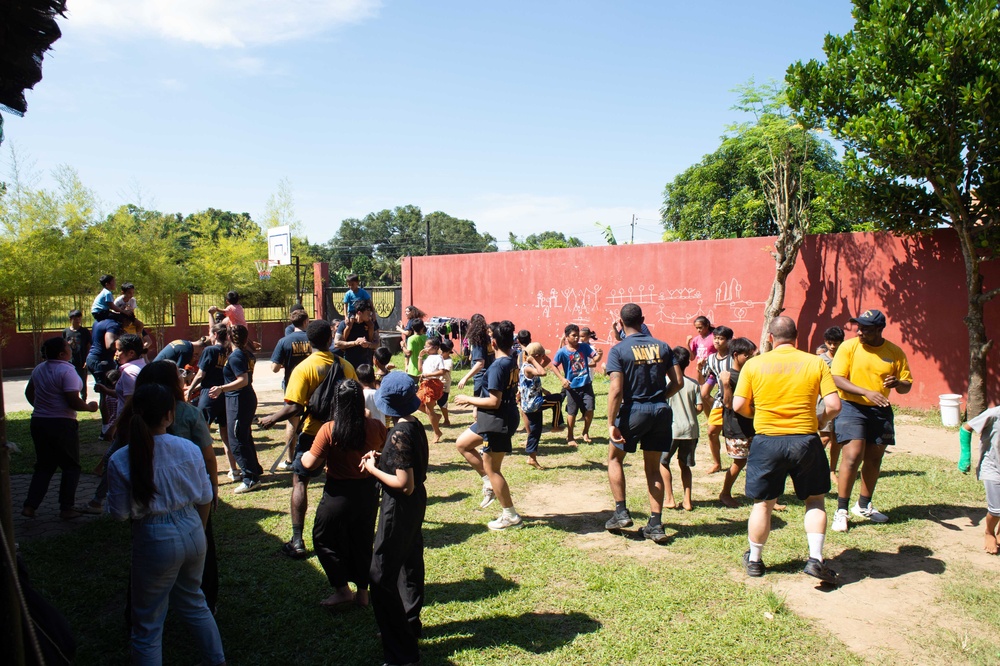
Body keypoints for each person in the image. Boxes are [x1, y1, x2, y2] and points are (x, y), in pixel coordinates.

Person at [106, 383, 225, 666]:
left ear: (136, 413)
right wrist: (200, 534)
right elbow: (205, 495)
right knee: (195, 603)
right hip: (193, 529)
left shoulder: (121, 458)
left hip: (154, 535)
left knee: (147, 622)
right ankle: (217, 661)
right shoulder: (188, 449)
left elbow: (120, 514)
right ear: (170, 415)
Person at [733, 316, 841, 584]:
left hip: (767, 440)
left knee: (763, 504)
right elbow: (835, 405)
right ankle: (815, 559)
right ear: (797, 336)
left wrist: (757, 414)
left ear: (770, 338)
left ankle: (755, 561)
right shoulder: (815, 362)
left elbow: (738, 405)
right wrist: (820, 421)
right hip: (805, 438)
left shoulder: (754, 364)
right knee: (814, 500)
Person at [258, 320, 358, 558]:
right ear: (328, 339)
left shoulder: (303, 368)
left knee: (300, 481)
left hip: (313, 434)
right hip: (341, 431)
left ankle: (297, 539)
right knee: (339, 483)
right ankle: (341, 536)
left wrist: (271, 418)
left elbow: (293, 408)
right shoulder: (345, 365)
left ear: (309, 342)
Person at [295, 379, 387, 607]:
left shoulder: (329, 429)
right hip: (368, 492)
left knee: (323, 538)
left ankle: (342, 589)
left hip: (338, 493)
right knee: (363, 539)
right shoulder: (376, 427)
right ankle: (363, 593)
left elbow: (309, 463)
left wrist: (302, 454)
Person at [365, 372, 429, 666]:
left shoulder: (399, 433)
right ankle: (409, 623)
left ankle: (401, 651)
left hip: (399, 506)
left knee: (380, 575)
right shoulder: (413, 425)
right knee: (409, 561)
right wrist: (382, 456)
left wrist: (373, 468)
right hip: (415, 505)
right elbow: (407, 464)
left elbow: (404, 483)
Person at [604, 303, 681, 544]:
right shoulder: (663, 346)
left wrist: (610, 422)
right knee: (653, 467)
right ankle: (656, 524)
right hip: (660, 411)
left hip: (633, 410)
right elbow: (678, 381)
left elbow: (616, 389)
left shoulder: (619, 350)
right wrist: (659, 399)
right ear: (643, 319)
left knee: (615, 459)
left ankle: (621, 512)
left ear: (620, 323)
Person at [830, 309, 912, 533]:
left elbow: (907, 385)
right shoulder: (848, 347)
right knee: (853, 455)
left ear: (879, 330)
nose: (860, 331)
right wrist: (866, 392)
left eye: (865, 328)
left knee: (875, 458)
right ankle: (842, 510)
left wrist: (898, 384)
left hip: (880, 409)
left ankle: (863, 505)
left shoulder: (894, 352)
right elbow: (837, 378)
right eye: (859, 326)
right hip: (851, 406)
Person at [454, 321, 523, 530]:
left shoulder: (497, 366)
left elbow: (494, 401)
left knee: (493, 469)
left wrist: (469, 399)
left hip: (497, 419)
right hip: (495, 416)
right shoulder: (511, 359)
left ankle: (510, 515)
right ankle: (488, 482)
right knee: (463, 444)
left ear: (493, 343)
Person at [21, 338, 99, 519]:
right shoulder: (67, 371)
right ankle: (66, 508)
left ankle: (29, 506)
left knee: (44, 466)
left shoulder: (39, 369)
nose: (71, 349)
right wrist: (90, 407)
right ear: (62, 354)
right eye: (68, 347)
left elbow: (28, 392)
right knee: (71, 467)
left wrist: (42, 408)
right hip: (62, 424)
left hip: (39, 422)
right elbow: (73, 400)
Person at [208, 324, 261, 494]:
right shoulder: (246, 354)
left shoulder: (237, 356)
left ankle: (250, 478)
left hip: (239, 400)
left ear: (230, 338)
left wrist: (221, 388)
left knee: (236, 439)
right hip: (243, 399)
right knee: (244, 436)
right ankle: (255, 469)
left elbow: (243, 380)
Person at [187, 324, 239, 481]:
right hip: (225, 394)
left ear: (215, 334)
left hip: (209, 394)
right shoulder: (229, 351)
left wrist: (190, 389)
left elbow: (201, 373)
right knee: (225, 434)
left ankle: (200, 470)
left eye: (210, 333)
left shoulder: (210, 350)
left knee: (201, 432)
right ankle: (234, 469)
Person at [718, 337, 757, 508]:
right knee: (739, 462)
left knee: (758, 460)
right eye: (747, 355)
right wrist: (726, 384)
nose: (750, 358)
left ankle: (763, 496)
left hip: (753, 424)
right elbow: (728, 404)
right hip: (736, 427)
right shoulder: (729, 376)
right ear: (736, 355)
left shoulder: (748, 374)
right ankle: (725, 493)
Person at [271, 309, 311, 470]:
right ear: (306, 322)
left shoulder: (284, 341)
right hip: (313, 387)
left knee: (292, 424)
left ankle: (289, 459)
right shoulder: (312, 339)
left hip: (293, 389)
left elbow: (274, 367)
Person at [663, 346, 702, 511]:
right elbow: (699, 407)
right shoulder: (693, 384)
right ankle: (687, 500)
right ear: (687, 363)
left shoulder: (664, 382)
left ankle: (669, 498)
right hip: (690, 430)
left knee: (662, 462)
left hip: (671, 429)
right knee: (685, 465)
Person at [552, 324, 603, 446]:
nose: (576, 338)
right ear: (566, 337)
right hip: (572, 387)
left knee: (590, 409)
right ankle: (570, 436)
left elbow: (595, 359)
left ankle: (585, 432)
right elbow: (553, 365)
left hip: (586, 384)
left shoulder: (584, 347)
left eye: (577, 335)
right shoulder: (562, 352)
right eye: (573, 336)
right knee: (572, 412)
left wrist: (599, 355)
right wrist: (562, 379)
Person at [961, 406, 1000, 554]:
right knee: (996, 510)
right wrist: (965, 456)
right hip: (992, 466)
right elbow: (966, 428)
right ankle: (989, 532)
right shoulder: (994, 414)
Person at [519, 342, 563, 469]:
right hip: (533, 404)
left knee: (535, 431)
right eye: (541, 356)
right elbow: (542, 373)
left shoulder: (532, 367)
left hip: (531, 403)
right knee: (557, 398)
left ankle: (531, 458)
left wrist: (543, 390)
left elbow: (546, 362)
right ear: (536, 356)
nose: (543, 358)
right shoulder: (528, 367)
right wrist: (533, 359)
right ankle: (556, 425)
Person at [701, 325, 734, 474]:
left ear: (728, 340)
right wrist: (698, 369)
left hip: (736, 400)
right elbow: (707, 378)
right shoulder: (711, 359)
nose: (717, 341)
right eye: (715, 338)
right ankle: (716, 463)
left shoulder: (735, 357)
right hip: (720, 401)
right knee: (711, 432)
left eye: (721, 338)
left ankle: (741, 461)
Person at [86, 315, 123, 434]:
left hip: (95, 359)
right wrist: (122, 340)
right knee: (106, 393)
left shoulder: (99, 321)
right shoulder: (113, 325)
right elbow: (110, 344)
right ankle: (106, 429)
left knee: (105, 393)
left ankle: (107, 426)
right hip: (101, 362)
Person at [818, 326, 845, 484]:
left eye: (836, 343)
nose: (833, 346)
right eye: (830, 343)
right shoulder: (820, 360)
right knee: (825, 437)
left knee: (837, 439)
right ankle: (810, 463)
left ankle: (831, 470)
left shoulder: (846, 358)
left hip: (843, 401)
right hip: (825, 402)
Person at [416, 337, 446, 443]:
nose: (426, 348)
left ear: (435, 348)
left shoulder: (438, 358)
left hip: (433, 384)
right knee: (416, 404)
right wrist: (420, 357)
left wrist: (428, 375)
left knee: (429, 408)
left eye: (427, 346)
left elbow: (442, 372)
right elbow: (420, 369)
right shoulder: (428, 358)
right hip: (425, 383)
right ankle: (435, 416)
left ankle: (437, 432)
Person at [334, 300, 379, 370]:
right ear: (359, 313)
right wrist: (355, 343)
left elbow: (377, 344)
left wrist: (368, 344)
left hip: (366, 364)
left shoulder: (371, 324)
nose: (370, 315)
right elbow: (336, 343)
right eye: (367, 313)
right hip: (349, 363)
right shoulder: (345, 324)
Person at [457, 313, 493, 398]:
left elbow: (480, 363)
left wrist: (465, 378)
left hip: (481, 376)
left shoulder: (478, 340)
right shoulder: (486, 337)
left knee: (477, 404)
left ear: (472, 325)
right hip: (489, 374)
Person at [63, 309, 91, 401]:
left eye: (79, 317)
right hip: (70, 361)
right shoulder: (66, 331)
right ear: (70, 319)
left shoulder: (84, 331)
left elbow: (88, 346)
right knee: (70, 381)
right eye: (75, 318)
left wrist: (87, 360)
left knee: (82, 381)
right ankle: (73, 399)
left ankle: (83, 399)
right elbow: (64, 345)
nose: (77, 320)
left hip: (81, 360)